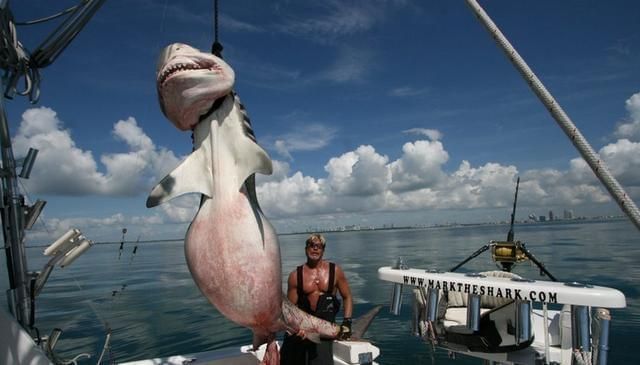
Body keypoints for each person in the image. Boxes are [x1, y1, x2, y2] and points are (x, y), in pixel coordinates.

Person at [280, 233, 353, 365]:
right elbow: (289, 309)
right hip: (301, 331)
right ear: (305, 249)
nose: (315, 249)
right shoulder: (295, 276)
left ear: (323, 250)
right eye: (311, 245)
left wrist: (347, 322)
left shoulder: (335, 271)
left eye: (319, 246)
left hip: (323, 331)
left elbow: (347, 297)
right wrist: (296, 329)